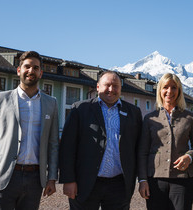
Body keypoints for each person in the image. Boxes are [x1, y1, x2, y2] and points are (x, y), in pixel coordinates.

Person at [0, 51, 59, 209]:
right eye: (27, 66)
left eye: (35, 68)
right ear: (19, 70)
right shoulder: (0, 99)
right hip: (4, 176)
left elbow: (53, 144)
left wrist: (52, 178)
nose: (31, 71)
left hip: (35, 179)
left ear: (41, 73)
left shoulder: (51, 104)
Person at [59, 71, 142, 209]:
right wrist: (68, 180)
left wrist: (142, 179)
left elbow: (138, 147)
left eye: (115, 86)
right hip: (85, 182)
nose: (111, 89)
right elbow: (67, 147)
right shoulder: (80, 109)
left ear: (121, 88)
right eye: (107, 85)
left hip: (119, 185)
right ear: (98, 87)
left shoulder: (134, 112)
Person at [138, 73, 193, 210]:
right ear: (160, 90)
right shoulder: (150, 118)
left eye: (174, 87)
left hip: (183, 178)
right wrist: (143, 180)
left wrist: (189, 156)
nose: (169, 91)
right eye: (165, 87)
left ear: (179, 90)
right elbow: (142, 151)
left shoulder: (190, 117)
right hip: (155, 179)